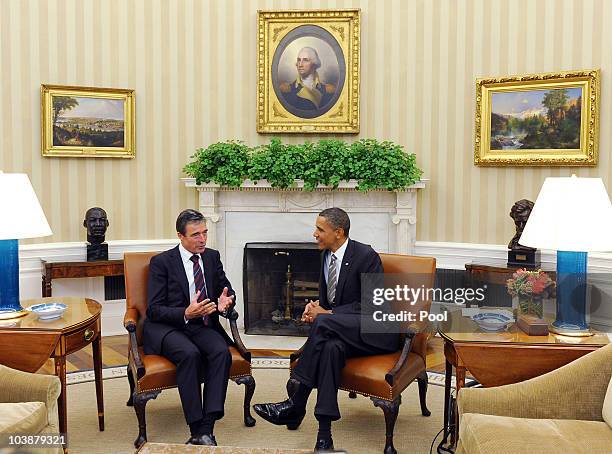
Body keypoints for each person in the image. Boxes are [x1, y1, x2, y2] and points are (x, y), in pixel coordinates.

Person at [253, 207, 399, 452]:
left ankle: (296, 403)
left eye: (320, 229)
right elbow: (331, 304)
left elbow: (372, 306)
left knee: (324, 323)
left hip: (377, 332)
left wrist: (327, 316)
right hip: (343, 332)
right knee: (330, 349)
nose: (315, 234)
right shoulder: (325, 256)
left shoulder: (366, 256)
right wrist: (316, 309)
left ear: (338, 232)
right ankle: (324, 439)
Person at [143, 209, 235, 446]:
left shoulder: (212, 257)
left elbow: (225, 290)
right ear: (180, 236)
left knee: (220, 352)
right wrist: (185, 312)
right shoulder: (162, 262)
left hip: (201, 325)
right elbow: (153, 310)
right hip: (168, 327)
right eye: (195, 235)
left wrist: (226, 301)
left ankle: (208, 426)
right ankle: (196, 427)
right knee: (189, 354)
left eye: (204, 233)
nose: (202, 239)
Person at [279, 46, 336, 111]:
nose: (300, 64)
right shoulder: (286, 90)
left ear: (314, 63)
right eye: (299, 60)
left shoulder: (329, 91)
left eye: (305, 60)